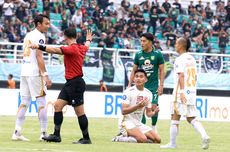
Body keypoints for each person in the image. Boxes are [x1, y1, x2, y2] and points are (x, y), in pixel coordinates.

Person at [30, 27, 93, 144]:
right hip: (71, 83)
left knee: (80, 112)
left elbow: (54, 49)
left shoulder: (71, 49)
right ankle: (56, 135)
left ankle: (86, 138)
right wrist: (88, 40)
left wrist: (39, 46)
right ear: (76, 36)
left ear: (65, 37)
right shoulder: (81, 47)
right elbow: (87, 46)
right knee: (58, 106)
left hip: (75, 83)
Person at [160, 37, 210, 149]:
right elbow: (195, 76)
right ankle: (204, 135)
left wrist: (182, 92)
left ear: (182, 45)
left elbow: (181, 75)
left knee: (174, 118)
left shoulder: (180, 59)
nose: (175, 44)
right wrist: (189, 90)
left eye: (177, 43)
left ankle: (172, 144)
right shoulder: (192, 59)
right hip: (191, 91)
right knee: (191, 117)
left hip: (180, 92)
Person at [12, 14, 52, 141]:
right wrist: (45, 75)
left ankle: (17, 132)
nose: (48, 26)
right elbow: (39, 56)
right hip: (34, 73)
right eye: (46, 23)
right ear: (39, 24)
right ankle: (44, 133)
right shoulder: (40, 36)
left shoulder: (28, 35)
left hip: (24, 71)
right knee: (41, 103)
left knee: (24, 103)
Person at [128, 33, 165, 132]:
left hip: (153, 87)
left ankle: (153, 127)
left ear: (150, 42)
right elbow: (134, 70)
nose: (141, 43)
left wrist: (161, 85)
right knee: (141, 109)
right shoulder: (139, 54)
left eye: (144, 41)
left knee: (153, 107)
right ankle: (143, 130)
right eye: (141, 41)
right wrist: (129, 85)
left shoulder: (157, 54)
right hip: (141, 88)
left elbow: (162, 70)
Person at [113, 69, 161, 143]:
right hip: (126, 122)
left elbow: (148, 114)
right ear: (133, 79)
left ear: (146, 80)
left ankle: (132, 136)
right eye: (136, 76)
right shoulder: (128, 92)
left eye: (141, 77)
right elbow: (123, 111)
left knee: (157, 140)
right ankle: (119, 138)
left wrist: (154, 112)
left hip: (138, 123)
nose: (138, 78)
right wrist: (137, 106)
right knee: (143, 139)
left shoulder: (148, 93)